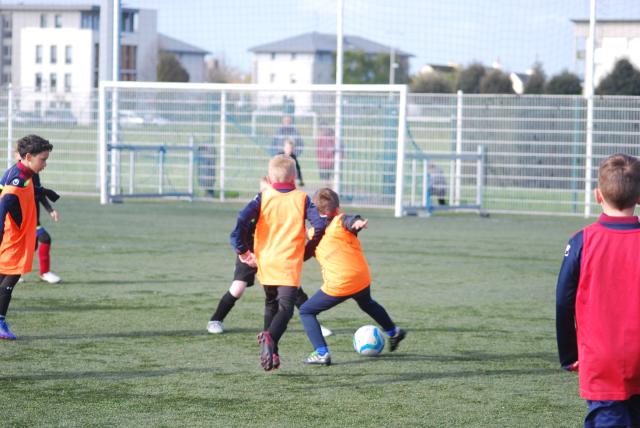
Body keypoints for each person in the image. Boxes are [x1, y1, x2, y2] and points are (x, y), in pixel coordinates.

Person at [556, 153, 640, 427]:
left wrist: (569, 355)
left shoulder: (582, 242)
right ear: (638, 197)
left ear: (597, 195)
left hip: (601, 359)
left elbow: (563, 302)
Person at [230, 155, 326, 371]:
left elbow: (241, 218)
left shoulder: (263, 197)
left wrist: (242, 249)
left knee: (271, 303)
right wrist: (308, 249)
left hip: (266, 261)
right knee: (286, 308)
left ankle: (272, 354)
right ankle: (269, 338)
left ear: (271, 177)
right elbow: (319, 225)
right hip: (288, 262)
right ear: (294, 177)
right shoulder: (302, 198)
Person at [207, 176, 331, 337]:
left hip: (274, 255)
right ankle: (216, 320)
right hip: (250, 254)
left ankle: (314, 325)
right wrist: (246, 254)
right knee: (237, 289)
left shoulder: (280, 207)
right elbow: (240, 231)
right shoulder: (257, 206)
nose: (268, 193)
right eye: (264, 190)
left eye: (270, 190)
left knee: (294, 290)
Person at [299, 188, 407, 365]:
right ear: (338, 208)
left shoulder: (316, 232)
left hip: (340, 283)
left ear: (315, 212)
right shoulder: (340, 221)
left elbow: (350, 221)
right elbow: (351, 220)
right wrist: (357, 223)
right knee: (367, 303)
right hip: (361, 278)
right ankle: (393, 331)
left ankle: (321, 352)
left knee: (306, 311)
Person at [0, 135, 53, 340]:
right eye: (43, 159)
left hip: (18, 235)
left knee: (5, 276)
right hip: (14, 237)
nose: (45, 164)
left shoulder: (23, 173)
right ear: (29, 156)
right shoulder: (19, 178)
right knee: (10, 278)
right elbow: (5, 202)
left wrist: (43, 191)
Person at [1, 149, 62, 284]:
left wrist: (50, 208)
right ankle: (40, 272)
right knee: (43, 239)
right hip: (20, 223)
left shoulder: (32, 174)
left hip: (32, 219)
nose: (45, 164)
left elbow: (37, 192)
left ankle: (38, 272)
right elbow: (5, 197)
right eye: (43, 159)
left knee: (34, 245)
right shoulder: (14, 176)